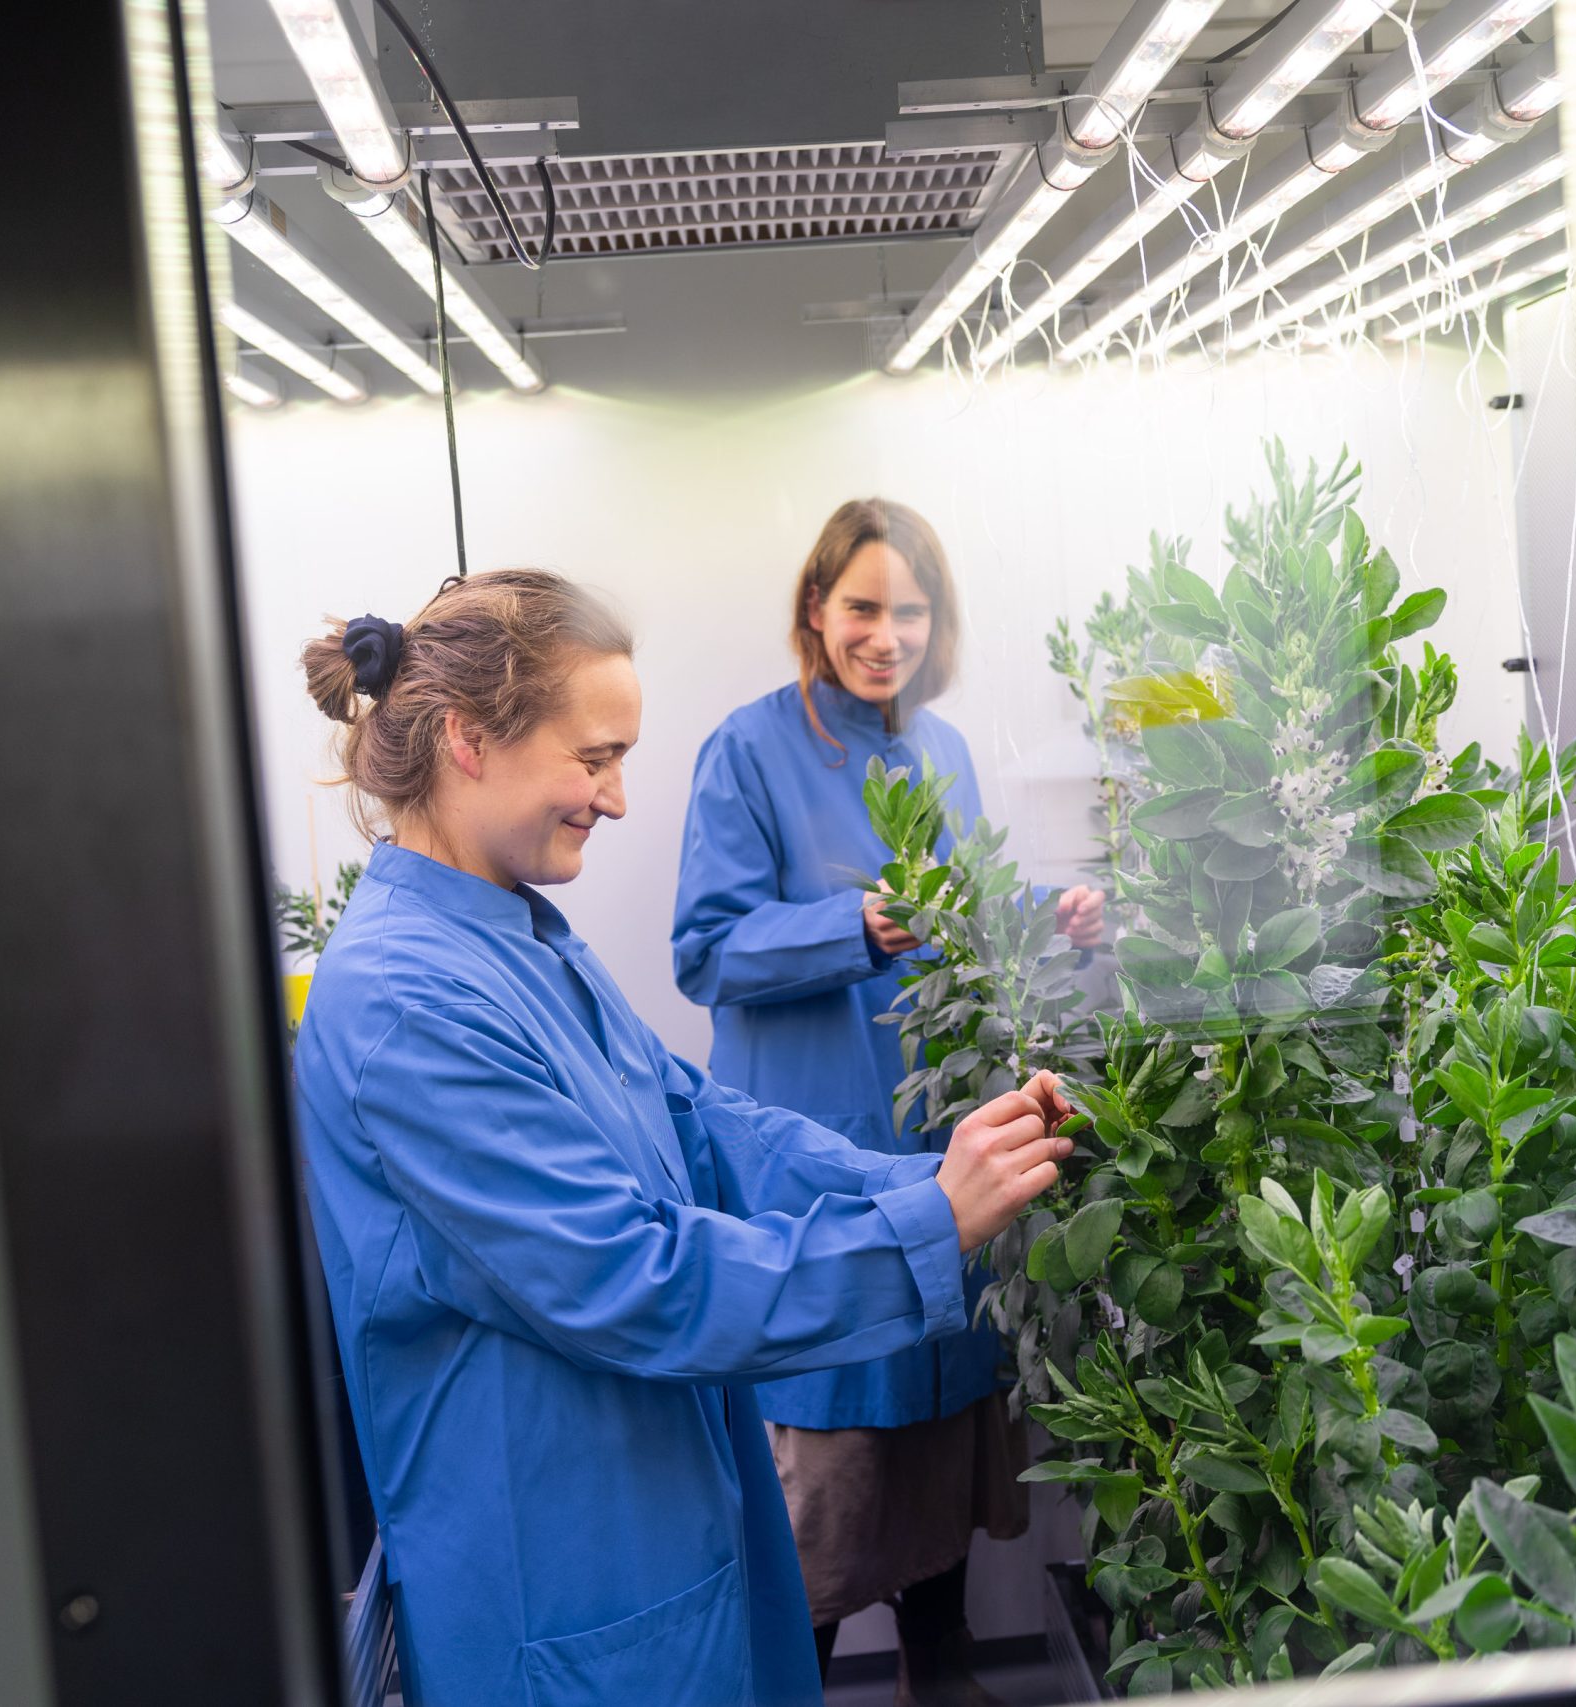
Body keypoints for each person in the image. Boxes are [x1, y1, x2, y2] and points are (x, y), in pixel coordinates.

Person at [288, 569, 1074, 1707]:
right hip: (567, 1587)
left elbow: (705, 1122)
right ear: (465, 738)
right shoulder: (408, 1004)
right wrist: (925, 1221)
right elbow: (631, 1277)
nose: (614, 799)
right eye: (594, 757)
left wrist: (937, 1175)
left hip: (657, 1524)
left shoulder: (519, 938)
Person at [671, 502, 1103, 1704]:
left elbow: (961, 942)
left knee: (935, 1525)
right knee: (818, 1512)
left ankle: (943, 1674)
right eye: (862, 606)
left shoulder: (944, 753)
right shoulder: (746, 751)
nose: (887, 634)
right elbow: (704, 952)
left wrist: (1049, 922)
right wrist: (852, 928)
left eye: (909, 611)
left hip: (937, 1161)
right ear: (815, 610)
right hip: (814, 1171)